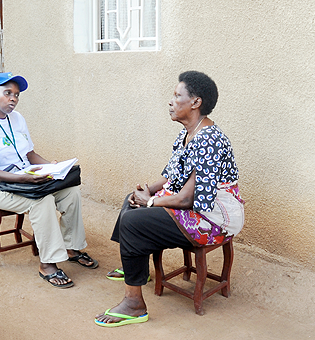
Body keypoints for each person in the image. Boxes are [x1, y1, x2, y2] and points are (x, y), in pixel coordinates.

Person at [95, 71, 244, 327]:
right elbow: (172, 176)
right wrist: (145, 191)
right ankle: (134, 267)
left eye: (177, 96)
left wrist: (150, 202)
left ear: (195, 102)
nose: (171, 101)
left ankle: (134, 305)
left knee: (134, 222)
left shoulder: (209, 140)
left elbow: (188, 199)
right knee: (129, 202)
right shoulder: (188, 133)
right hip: (194, 205)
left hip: (213, 216)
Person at [0, 72, 98, 289]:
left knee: (70, 191)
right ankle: (47, 264)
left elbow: (30, 155)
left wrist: (52, 168)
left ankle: (72, 247)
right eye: (7, 93)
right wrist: (23, 178)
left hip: (22, 176)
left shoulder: (17, 119)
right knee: (40, 200)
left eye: (16, 95)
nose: (13, 99)